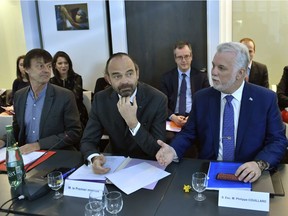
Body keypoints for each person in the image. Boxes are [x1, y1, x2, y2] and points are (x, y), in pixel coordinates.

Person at [156, 42, 287, 183]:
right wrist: (173, 150)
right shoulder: (202, 98)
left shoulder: (265, 99)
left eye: (221, 68)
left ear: (240, 73)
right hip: (210, 171)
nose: (213, 72)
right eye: (213, 65)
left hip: (249, 174)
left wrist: (259, 164)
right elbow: (189, 133)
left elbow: (278, 140)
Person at [80, 52, 168, 174]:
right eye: (117, 76)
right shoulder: (101, 99)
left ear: (137, 74)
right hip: (114, 164)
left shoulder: (157, 99)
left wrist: (133, 123)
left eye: (129, 73)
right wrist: (94, 157)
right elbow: (88, 140)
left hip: (147, 166)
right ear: (108, 79)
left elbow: (157, 149)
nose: (125, 81)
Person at [13, 48, 82, 154]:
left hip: (55, 154)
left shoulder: (65, 96)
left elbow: (74, 132)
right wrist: (3, 140)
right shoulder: (19, 96)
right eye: (40, 66)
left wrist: (38, 145)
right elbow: (17, 127)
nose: (46, 70)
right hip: (27, 155)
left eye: (49, 66)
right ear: (27, 69)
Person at [160, 41, 209, 127]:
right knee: (170, 138)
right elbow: (161, 103)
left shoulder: (201, 77)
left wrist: (192, 116)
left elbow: (206, 102)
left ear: (191, 57)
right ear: (175, 59)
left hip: (194, 117)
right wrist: (173, 117)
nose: (183, 60)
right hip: (173, 118)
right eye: (180, 57)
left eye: (186, 56)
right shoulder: (166, 78)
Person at [50, 51, 88, 129]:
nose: (63, 66)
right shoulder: (51, 81)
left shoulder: (77, 78)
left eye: (66, 63)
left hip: (77, 111)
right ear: (55, 65)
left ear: (69, 65)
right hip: (59, 114)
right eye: (60, 63)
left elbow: (75, 97)